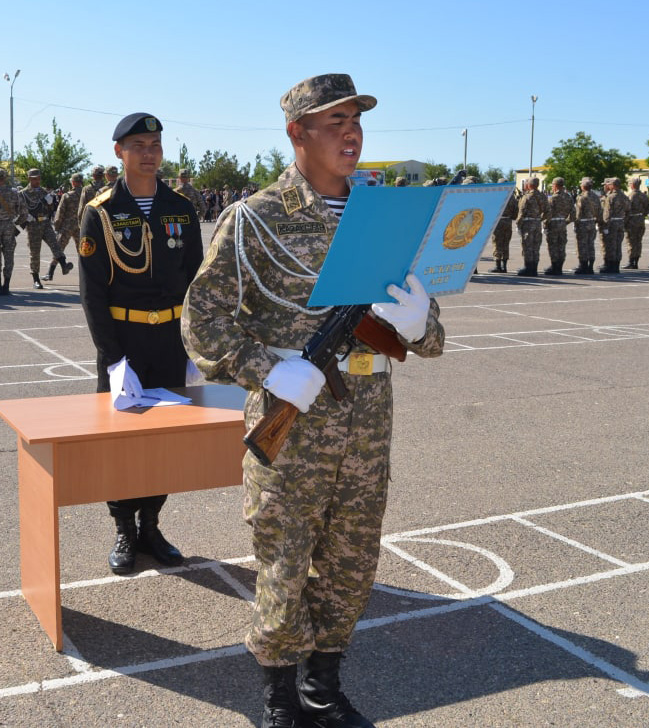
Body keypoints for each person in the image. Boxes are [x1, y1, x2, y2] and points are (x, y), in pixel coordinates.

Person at [182, 74, 444, 728]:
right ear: (297, 132)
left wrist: (417, 324)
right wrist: (265, 369)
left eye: (356, 119)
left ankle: (324, 687)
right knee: (284, 563)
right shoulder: (255, 219)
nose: (351, 132)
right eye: (334, 121)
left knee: (353, 564)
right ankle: (277, 698)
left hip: (366, 428)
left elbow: (430, 333)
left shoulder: (382, 218)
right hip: (293, 430)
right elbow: (201, 321)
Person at [77, 112, 201, 578]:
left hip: (170, 339)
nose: (149, 153)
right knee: (122, 444)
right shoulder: (102, 210)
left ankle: (152, 524)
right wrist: (112, 359)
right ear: (119, 153)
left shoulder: (181, 208)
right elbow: (92, 292)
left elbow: (195, 282)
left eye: (155, 144)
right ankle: (124, 528)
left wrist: (193, 346)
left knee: (163, 442)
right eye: (139, 146)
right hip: (125, 340)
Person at [20, 168, 69, 289]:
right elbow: (18, 209)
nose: (37, 181)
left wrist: (50, 202)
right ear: (29, 179)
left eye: (38, 178)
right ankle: (36, 279)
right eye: (34, 179)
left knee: (56, 244)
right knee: (35, 253)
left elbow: (51, 209)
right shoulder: (23, 193)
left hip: (45, 223)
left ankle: (64, 265)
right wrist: (26, 217)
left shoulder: (44, 192)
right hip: (33, 226)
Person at [44, 172, 83, 282]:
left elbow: (60, 213)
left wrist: (56, 227)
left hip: (67, 226)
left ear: (73, 182)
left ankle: (50, 273)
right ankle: (86, 276)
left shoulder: (67, 195)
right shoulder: (86, 195)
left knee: (59, 249)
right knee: (82, 251)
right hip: (81, 225)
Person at [514, 177, 545, 276]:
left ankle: (528, 268)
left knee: (527, 246)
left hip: (528, 224)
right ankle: (534, 269)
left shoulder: (527, 197)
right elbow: (548, 211)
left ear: (528, 185)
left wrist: (518, 224)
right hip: (537, 223)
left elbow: (521, 212)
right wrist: (541, 219)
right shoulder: (542, 196)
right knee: (536, 247)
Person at [572, 178, 601, 275]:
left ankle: (583, 266)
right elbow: (599, 211)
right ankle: (590, 267)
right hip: (592, 223)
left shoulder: (582, 197)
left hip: (583, 224)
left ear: (583, 186)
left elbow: (578, 213)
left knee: (582, 245)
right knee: (590, 245)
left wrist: (576, 224)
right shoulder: (596, 197)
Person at [599, 177, 627, 274]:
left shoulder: (611, 197)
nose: (608, 186)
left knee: (611, 245)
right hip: (620, 222)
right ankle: (616, 266)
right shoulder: (623, 196)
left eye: (610, 184)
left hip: (612, 223)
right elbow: (629, 207)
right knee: (618, 245)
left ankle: (610, 266)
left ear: (613, 185)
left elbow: (607, 212)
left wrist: (605, 226)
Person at [491, 187, 518, 272]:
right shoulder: (512, 197)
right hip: (508, 221)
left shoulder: (497, 196)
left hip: (498, 221)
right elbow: (516, 211)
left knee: (497, 243)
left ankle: (498, 266)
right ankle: (504, 266)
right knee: (506, 243)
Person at [624, 178, 649, 269]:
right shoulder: (644, 196)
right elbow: (647, 209)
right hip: (640, 220)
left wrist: (625, 222)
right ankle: (636, 261)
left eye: (630, 184)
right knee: (638, 242)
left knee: (631, 241)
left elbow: (627, 209)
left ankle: (631, 261)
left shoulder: (631, 196)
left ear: (633, 185)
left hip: (632, 221)